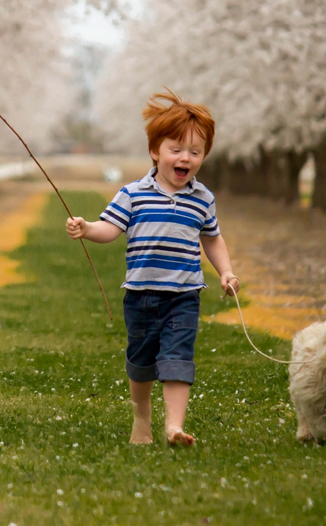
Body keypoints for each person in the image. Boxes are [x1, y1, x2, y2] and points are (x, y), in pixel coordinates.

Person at [65, 90, 239, 445]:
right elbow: (109, 228)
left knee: (178, 357)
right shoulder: (133, 194)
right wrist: (87, 229)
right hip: (141, 294)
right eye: (176, 149)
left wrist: (225, 271)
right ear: (155, 151)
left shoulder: (203, 198)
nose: (185, 158)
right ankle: (141, 419)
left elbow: (212, 239)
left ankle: (174, 426)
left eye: (195, 152)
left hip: (185, 294)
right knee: (142, 361)